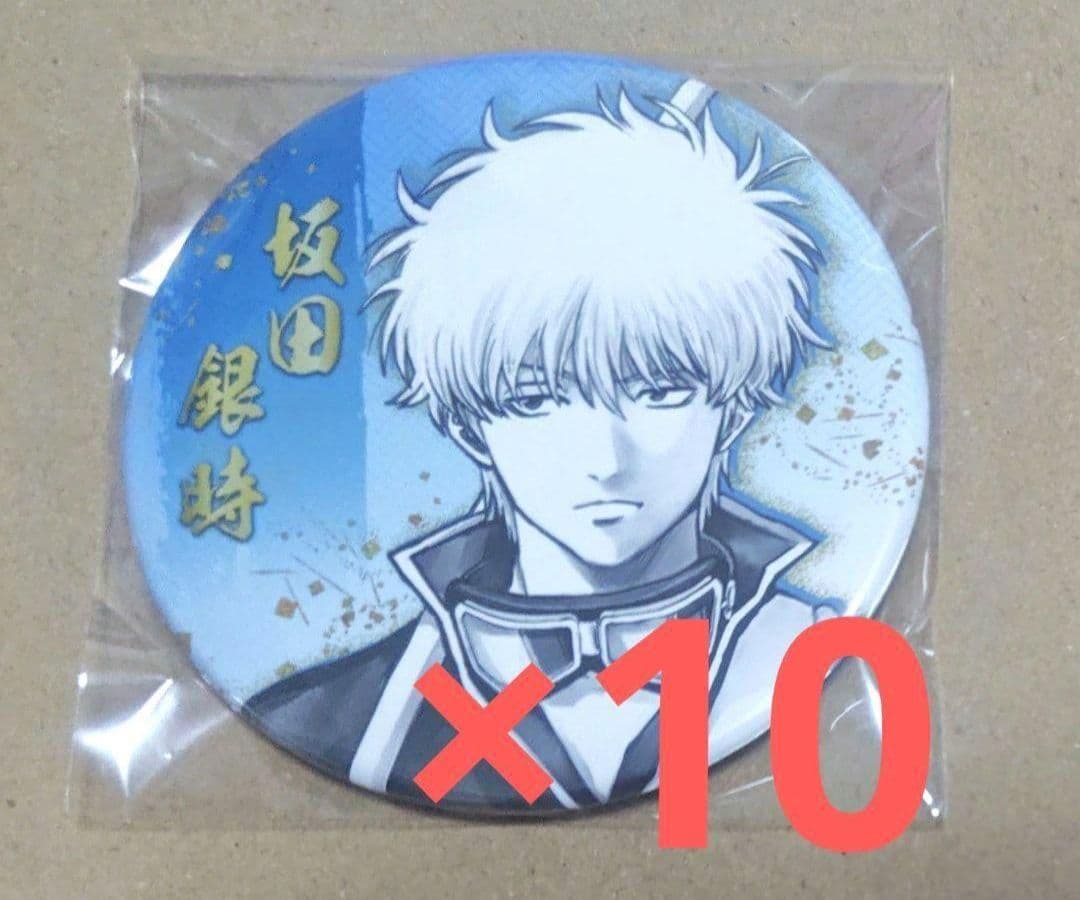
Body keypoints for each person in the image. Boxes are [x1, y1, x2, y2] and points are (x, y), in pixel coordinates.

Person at [246, 84, 837, 811]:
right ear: (467, 426)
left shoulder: (813, 654)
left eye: (659, 391)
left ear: (737, 406)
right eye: (533, 400)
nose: (604, 458)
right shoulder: (340, 716)